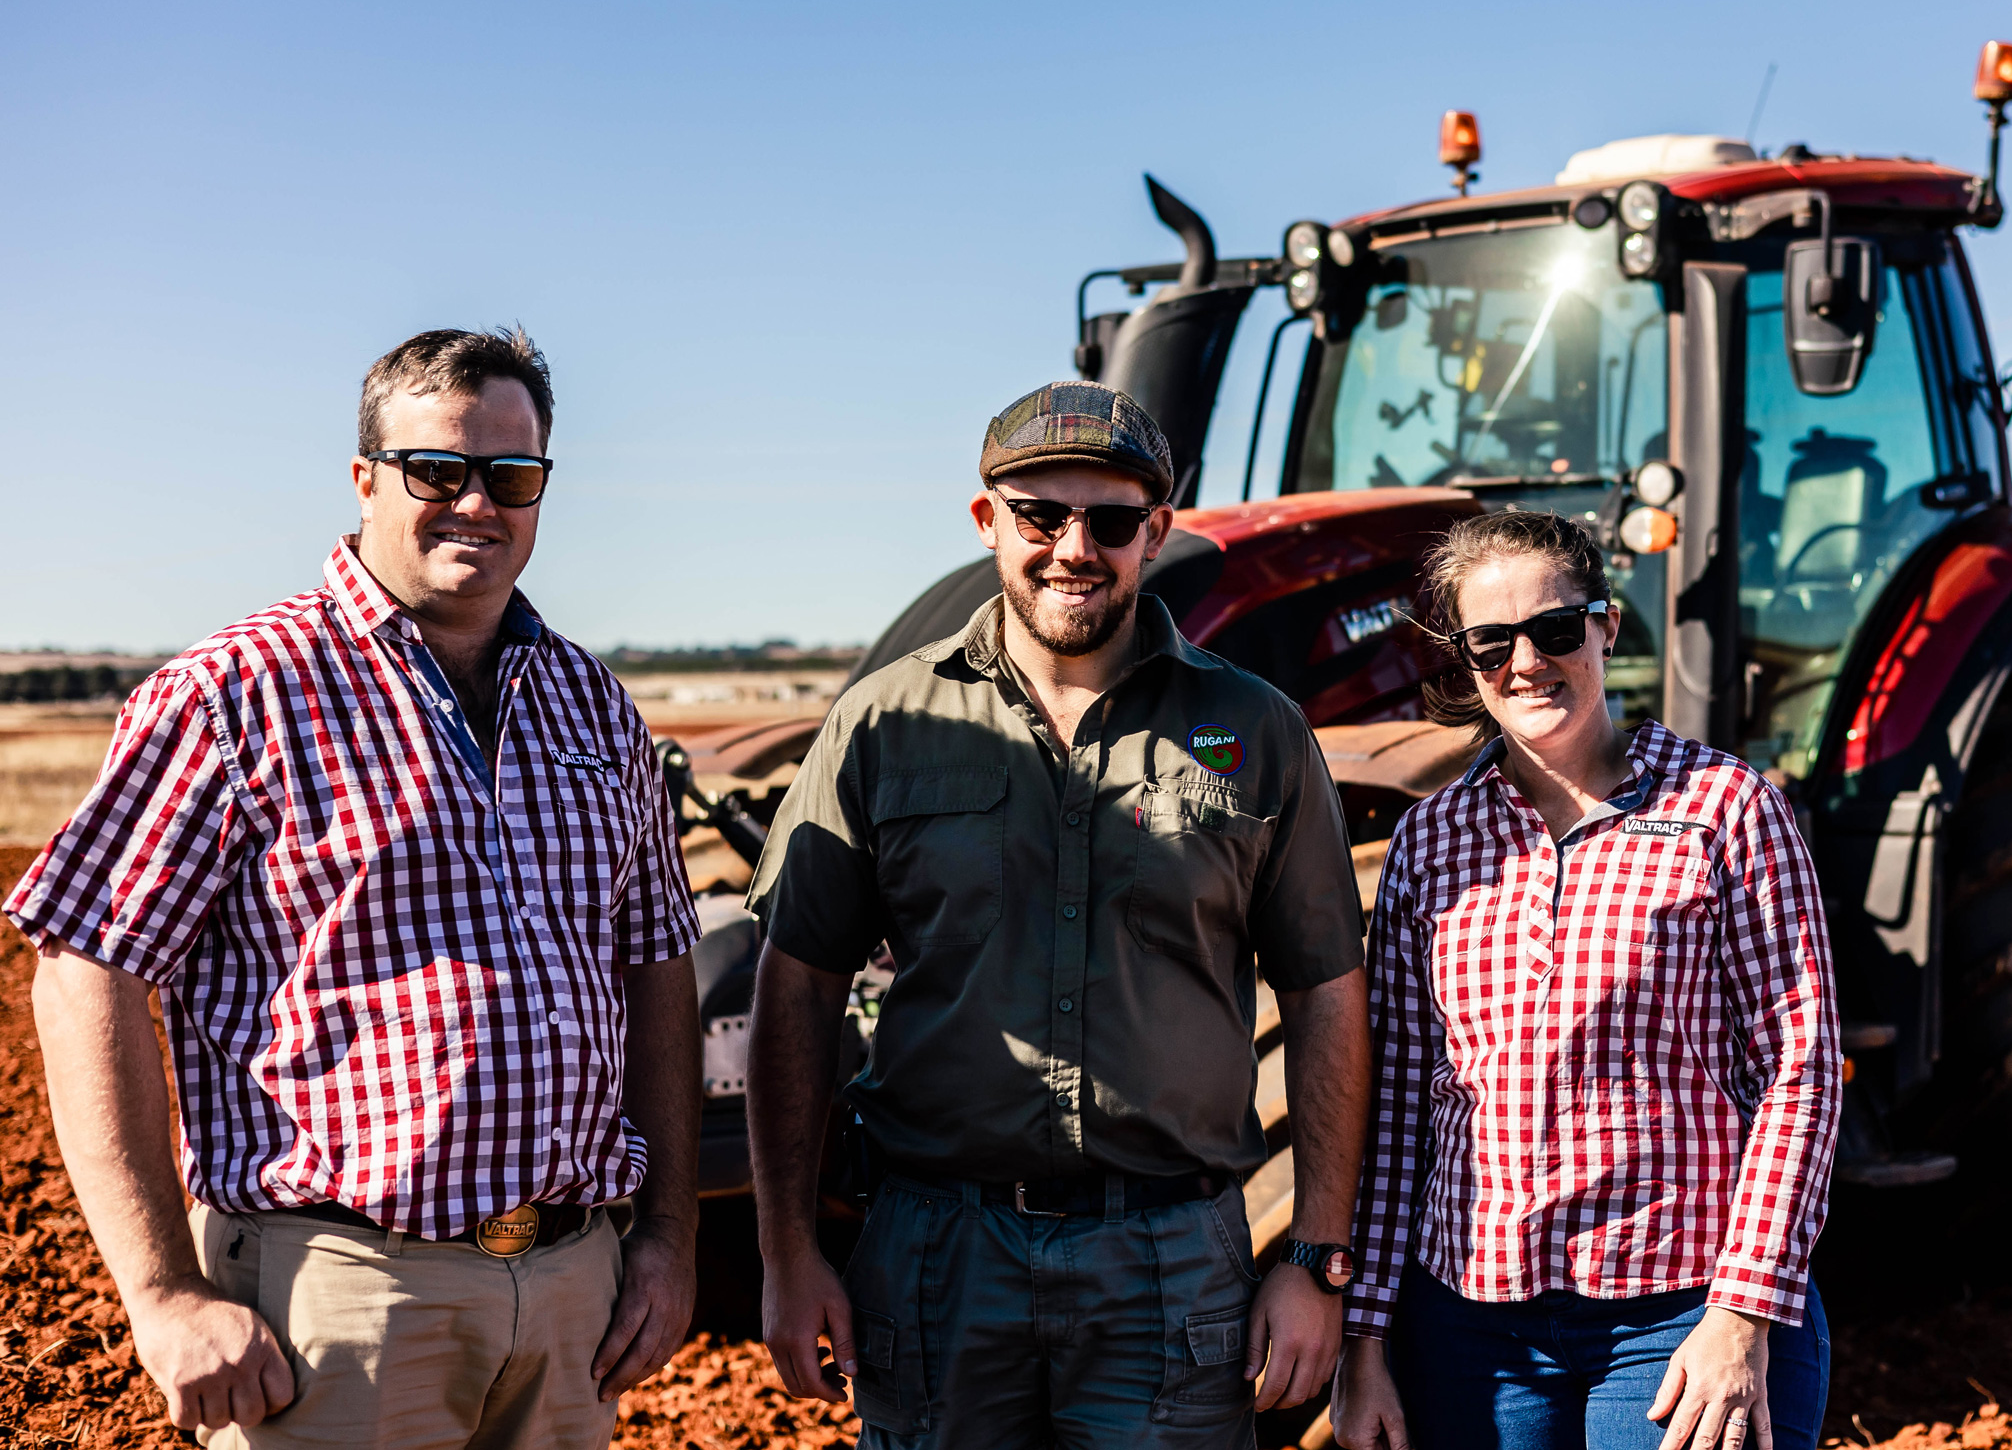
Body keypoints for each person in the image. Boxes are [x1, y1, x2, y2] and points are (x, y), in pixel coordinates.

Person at [7, 329, 703, 1448]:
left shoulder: (593, 704)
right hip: (337, 1302)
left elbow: (656, 962)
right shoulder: (239, 692)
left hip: (576, 1286)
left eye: (511, 476)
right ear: (365, 476)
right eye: (438, 469)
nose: (475, 501)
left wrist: (666, 1230)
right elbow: (83, 970)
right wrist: (165, 1292)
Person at [745, 380, 1372, 1450]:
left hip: (1170, 1257)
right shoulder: (885, 722)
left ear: (1157, 532)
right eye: (1041, 513)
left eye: (1113, 520)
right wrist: (789, 1251)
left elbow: (1324, 993)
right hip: (936, 1252)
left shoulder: (1255, 728)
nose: (1074, 546)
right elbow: (794, 985)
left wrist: (1316, 1257)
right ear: (988, 519)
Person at [1331, 510, 1840, 1450]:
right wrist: (1364, 1339)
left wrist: (1742, 1311)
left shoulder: (1727, 807)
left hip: (1681, 1311)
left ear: (1605, 627)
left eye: (1556, 629)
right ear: (1464, 658)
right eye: (1492, 642)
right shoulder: (1428, 841)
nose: (1526, 661)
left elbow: (1799, 1070)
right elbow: (1399, 1105)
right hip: (1473, 1326)